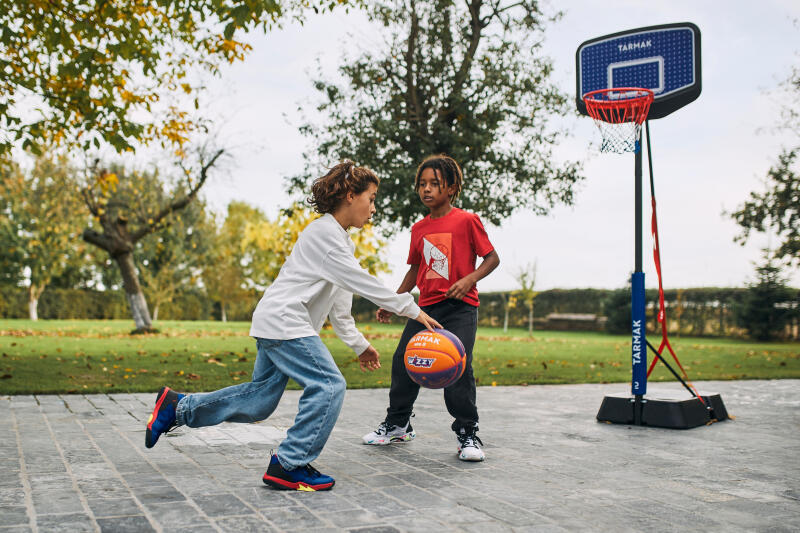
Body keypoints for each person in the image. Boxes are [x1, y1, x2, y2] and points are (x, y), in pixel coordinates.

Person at [144, 161, 442, 491]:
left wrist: (359, 345)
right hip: (286, 322)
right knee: (329, 386)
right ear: (348, 196)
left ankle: (176, 408)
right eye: (370, 198)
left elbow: (340, 306)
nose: (373, 208)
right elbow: (363, 282)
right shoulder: (325, 235)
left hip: (278, 322)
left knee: (259, 401)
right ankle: (289, 463)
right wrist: (410, 309)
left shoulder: (341, 241)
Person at [363, 154, 499, 461]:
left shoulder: (467, 221)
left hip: (461, 307)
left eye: (434, 184)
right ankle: (398, 423)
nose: (426, 189)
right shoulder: (418, 228)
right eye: (422, 184)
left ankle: (467, 433)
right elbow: (414, 271)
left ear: (451, 188)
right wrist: (393, 302)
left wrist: (469, 280)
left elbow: (492, 258)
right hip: (426, 310)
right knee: (402, 362)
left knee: (458, 367)